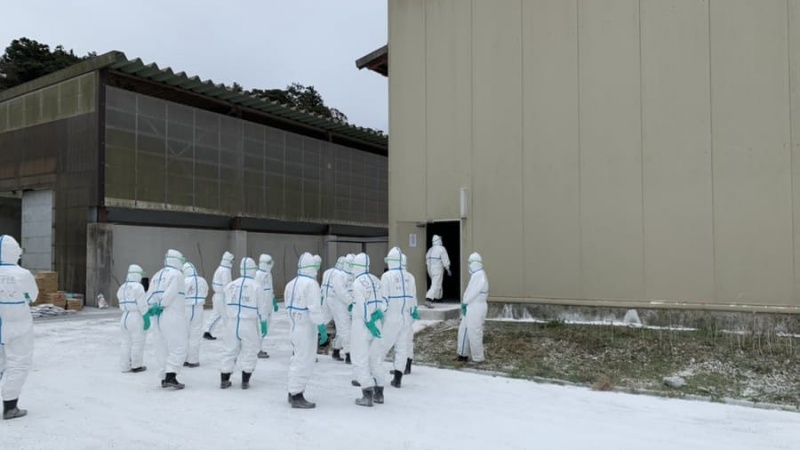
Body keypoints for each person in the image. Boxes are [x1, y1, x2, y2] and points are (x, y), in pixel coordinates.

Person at [0, 235, 38, 420]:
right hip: (18, 324)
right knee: (18, 363)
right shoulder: (22, 274)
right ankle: (10, 407)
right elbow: (33, 295)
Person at [284, 252, 327, 409]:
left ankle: (292, 390)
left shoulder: (291, 283)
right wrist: (321, 327)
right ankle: (297, 394)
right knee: (304, 360)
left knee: (296, 359)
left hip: (294, 326)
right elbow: (314, 308)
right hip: (306, 328)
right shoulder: (311, 284)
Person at [219, 257, 268, 390]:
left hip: (231, 322)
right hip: (248, 324)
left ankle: (224, 380)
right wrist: (263, 322)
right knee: (250, 351)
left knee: (228, 350)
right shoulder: (256, 286)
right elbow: (262, 307)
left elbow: (222, 305)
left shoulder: (230, 285)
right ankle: (245, 381)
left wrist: (226, 319)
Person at [145, 249, 188, 389]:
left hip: (157, 316)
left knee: (161, 346)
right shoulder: (177, 275)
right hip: (172, 313)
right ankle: (171, 376)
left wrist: (151, 307)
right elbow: (171, 292)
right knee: (178, 345)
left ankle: (164, 377)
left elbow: (149, 293)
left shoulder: (157, 275)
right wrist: (162, 305)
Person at [350, 253, 387, 407]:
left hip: (362, 324)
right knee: (375, 358)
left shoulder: (357, 283)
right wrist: (380, 313)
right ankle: (380, 393)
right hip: (377, 323)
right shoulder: (376, 280)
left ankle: (367, 393)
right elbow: (385, 300)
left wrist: (368, 321)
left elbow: (362, 304)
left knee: (360, 358)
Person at [380, 248, 418, 388]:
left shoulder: (387, 276)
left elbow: (384, 299)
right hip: (406, 317)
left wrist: (377, 314)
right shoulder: (410, 277)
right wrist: (413, 312)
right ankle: (397, 379)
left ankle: (373, 374)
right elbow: (414, 298)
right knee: (402, 348)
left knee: (382, 346)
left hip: (392, 317)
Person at [456, 252, 489, 364]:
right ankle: (462, 354)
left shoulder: (479, 275)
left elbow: (473, 293)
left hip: (476, 307)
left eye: (470, 263)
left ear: (474, 263)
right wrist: (465, 303)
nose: (469, 265)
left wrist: (464, 302)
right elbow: (469, 292)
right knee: (464, 330)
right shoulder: (476, 275)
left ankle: (478, 358)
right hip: (471, 306)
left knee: (474, 332)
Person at [117, 264, 149, 374]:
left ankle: (124, 366)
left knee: (125, 342)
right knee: (137, 342)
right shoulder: (138, 287)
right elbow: (142, 304)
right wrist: (146, 316)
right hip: (135, 316)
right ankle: (136, 365)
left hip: (124, 316)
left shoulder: (122, 287)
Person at [326, 257, 353, 364]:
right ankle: (348, 355)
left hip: (350, 306)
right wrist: (350, 301)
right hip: (340, 306)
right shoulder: (339, 276)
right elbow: (340, 291)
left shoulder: (354, 275)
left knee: (345, 331)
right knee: (345, 330)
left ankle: (336, 350)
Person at [203, 251, 234, 340]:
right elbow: (226, 285)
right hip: (222, 297)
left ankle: (207, 330)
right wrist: (230, 296)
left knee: (216, 314)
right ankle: (231, 334)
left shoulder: (220, 268)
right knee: (226, 315)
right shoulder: (225, 270)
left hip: (217, 296)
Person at [183, 262, 208, 368]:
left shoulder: (183, 281)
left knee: (184, 334)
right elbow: (206, 291)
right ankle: (193, 360)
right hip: (198, 308)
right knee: (195, 334)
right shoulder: (202, 280)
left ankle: (183, 358)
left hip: (185, 308)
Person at [254, 254, 278, 359]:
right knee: (260, 327)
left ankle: (258, 347)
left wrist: (273, 300)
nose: (271, 264)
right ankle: (257, 349)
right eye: (269, 262)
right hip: (261, 305)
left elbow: (270, 288)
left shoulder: (269, 274)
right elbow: (256, 291)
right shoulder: (258, 274)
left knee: (266, 327)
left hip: (268, 305)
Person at [401, 254, 417, 375]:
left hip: (402, 312)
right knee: (407, 339)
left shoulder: (395, 276)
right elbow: (414, 294)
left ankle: (403, 366)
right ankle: (406, 365)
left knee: (403, 340)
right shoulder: (410, 277)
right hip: (410, 312)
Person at [424, 235, 451, 307]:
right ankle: (428, 298)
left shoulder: (430, 250)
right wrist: (448, 269)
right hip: (437, 268)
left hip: (430, 269)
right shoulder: (441, 249)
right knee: (435, 284)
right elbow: (445, 259)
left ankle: (438, 297)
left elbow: (426, 261)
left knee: (437, 283)